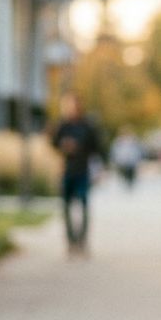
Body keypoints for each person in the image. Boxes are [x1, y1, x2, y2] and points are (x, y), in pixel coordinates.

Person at [50, 93, 101, 257]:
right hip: (67, 170)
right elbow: (54, 144)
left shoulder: (87, 126)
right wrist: (64, 146)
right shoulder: (62, 125)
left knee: (84, 206)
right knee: (66, 207)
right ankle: (71, 242)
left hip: (83, 171)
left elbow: (96, 147)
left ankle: (82, 241)